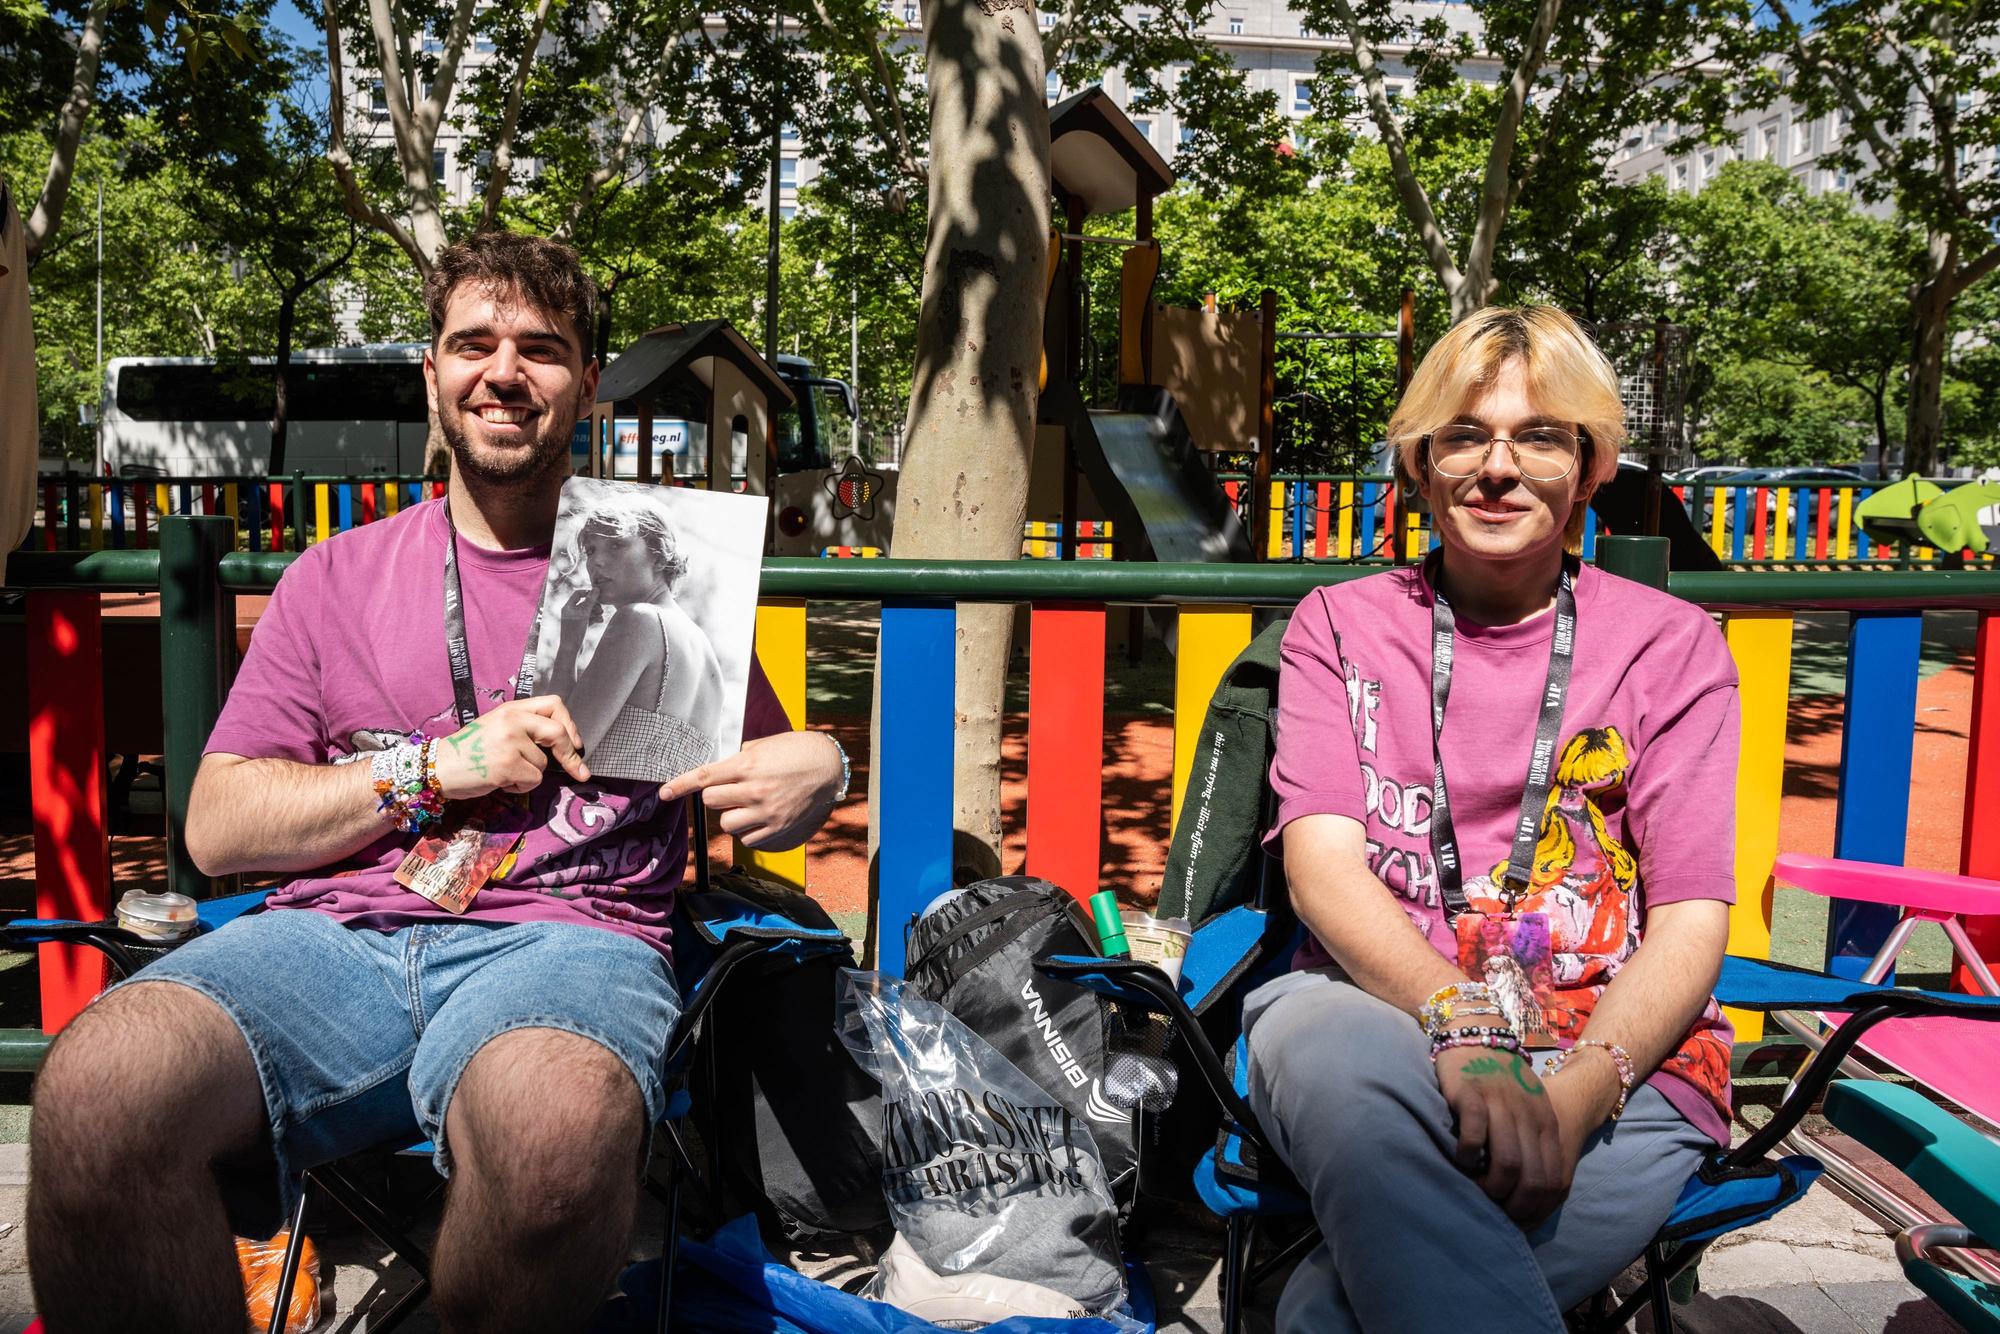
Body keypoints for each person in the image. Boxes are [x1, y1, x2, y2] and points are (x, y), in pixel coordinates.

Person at [26, 232, 849, 1334]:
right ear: (433, 372)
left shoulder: (670, 569)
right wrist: (426, 769)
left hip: (576, 942)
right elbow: (217, 829)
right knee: (96, 1089)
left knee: (558, 1127)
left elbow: (764, 765)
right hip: (332, 940)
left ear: (588, 384)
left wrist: (824, 764)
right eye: (474, 342)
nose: (504, 371)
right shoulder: (335, 575)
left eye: (542, 349)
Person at [1245, 306, 1737, 1332]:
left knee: (1323, 1315)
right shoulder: (1337, 624)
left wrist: (1574, 1095)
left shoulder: (1672, 646)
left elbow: (1690, 916)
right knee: (1323, 1041)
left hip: (1612, 1051)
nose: (1496, 468)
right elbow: (1320, 867)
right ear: (1421, 465)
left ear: (1591, 465)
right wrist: (1460, 1022)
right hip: (1376, 1016)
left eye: (1540, 436)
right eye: (1463, 435)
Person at [547, 495, 726, 780]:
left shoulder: (638, 619)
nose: (597, 563)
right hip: (667, 820)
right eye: (591, 550)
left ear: (659, 553)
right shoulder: (705, 652)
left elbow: (561, 752)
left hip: (602, 818)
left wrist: (569, 647)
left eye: (616, 544)